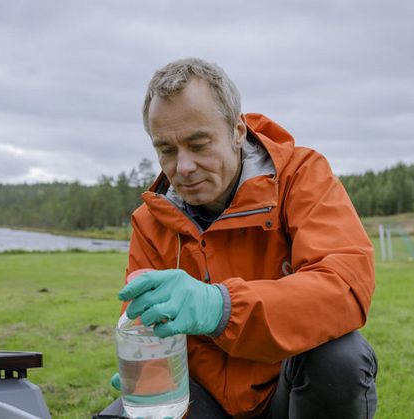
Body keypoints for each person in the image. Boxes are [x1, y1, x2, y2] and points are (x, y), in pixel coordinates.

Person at [100, 58, 378, 418]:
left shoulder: (300, 177)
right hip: (201, 396)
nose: (183, 167)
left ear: (237, 131)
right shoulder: (151, 222)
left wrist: (220, 307)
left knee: (340, 358)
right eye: (166, 150)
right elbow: (142, 327)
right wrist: (149, 372)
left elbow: (344, 287)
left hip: (287, 388)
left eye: (199, 144)